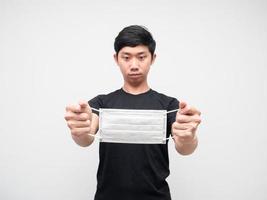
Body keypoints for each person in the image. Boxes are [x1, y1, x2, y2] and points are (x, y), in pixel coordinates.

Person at [64, 25, 201, 200]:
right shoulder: (101, 102)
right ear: (116, 59)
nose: (134, 65)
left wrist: (189, 137)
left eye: (142, 57)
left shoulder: (169, 104)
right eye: (126, 57)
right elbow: (85, 138)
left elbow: (185, 148)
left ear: (152, 58)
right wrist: (79, 130)